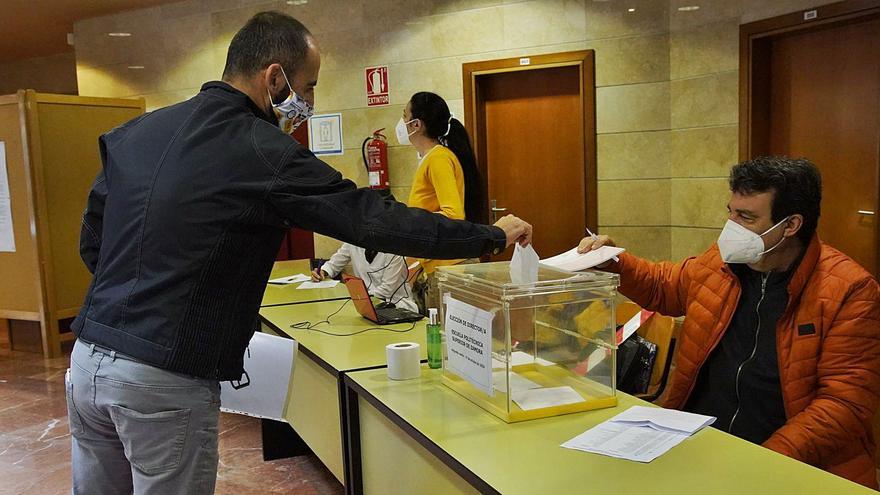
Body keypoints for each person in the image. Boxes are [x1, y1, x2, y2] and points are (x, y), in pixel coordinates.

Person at [66, 11, 532, 494]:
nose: (308, 101)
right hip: (164, 379)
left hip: (86, 362)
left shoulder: (137, 133)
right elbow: (374, 219)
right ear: (274, 78)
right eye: (307, 88)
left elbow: (93, 241)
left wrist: (137, 301)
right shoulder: (261, 148)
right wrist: (490, 236)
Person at [579, 156, 880, 488]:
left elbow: (844, 404)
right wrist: (615, 262)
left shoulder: (849, 290)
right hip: (703, 444)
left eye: (746, 217)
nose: (731, 227)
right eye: (731, 212)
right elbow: (665, 286)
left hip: (790, 462)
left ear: (791, 225)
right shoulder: (721, 262)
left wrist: (763, 461)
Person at [396, 91, 483, 311]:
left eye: (404, 115)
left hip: (450, 270)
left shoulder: (439, 158)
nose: (402, 122)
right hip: (440, 267)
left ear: (417, 124)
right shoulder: (432, 158)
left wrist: (411, 222)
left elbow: (453, 215)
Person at [311, 243, 418, 313]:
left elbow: (386, 290)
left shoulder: (394, 249)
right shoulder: (352, 243)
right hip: (365, 306)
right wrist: (322, 272)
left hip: (397, 307)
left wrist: (356, 298)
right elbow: (333, 265)